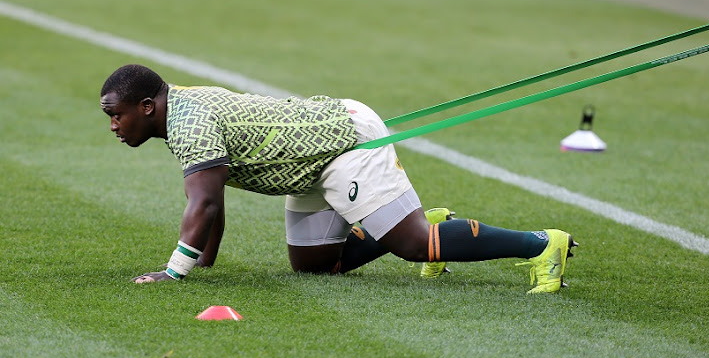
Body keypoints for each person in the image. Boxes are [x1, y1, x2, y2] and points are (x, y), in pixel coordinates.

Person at [100, 64, 577, 293]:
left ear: (147, 107)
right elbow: (212, 192)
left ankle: (541, 244)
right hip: (306, 164)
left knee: (415, 244)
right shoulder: (178, 111)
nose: (114, 126)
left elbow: (203, 203)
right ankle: (412, 223)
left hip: (342, 144)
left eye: (116, 115)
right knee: (313, 267)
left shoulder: (189, 121)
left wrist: (175, 270)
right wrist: (206, 259)